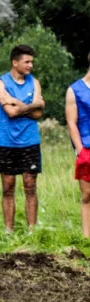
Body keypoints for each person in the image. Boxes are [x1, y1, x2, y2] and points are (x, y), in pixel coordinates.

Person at [0, 45, 45, 233]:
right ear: (15, 62)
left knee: (30, 186)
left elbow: (38, 115)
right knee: (8, 186)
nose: (30, 65)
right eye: (27, 62)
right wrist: (32, 105)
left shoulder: (34, 82)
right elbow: (10, 112)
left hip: (30, 141)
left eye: (32, 62)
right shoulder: (0, 83)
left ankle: (32, 230)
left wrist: (16, 102)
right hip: (6, 141)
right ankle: (8, 231)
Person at [65, 52, 90, 237]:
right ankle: (87, 237)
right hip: (87, 148)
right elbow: (72, 122)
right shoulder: (75, 90)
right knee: (87, 195)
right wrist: (80, 150)